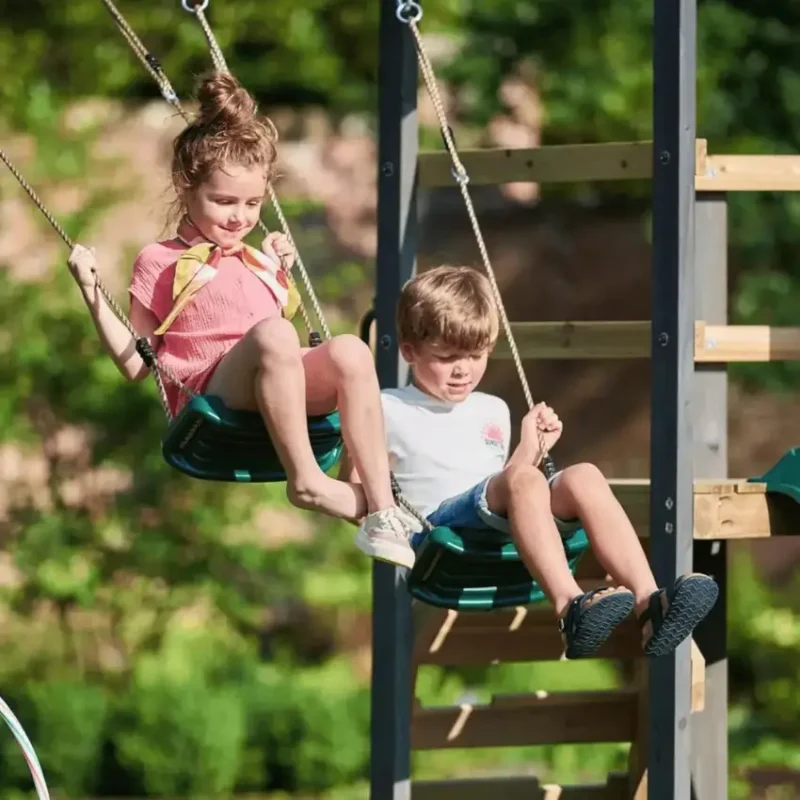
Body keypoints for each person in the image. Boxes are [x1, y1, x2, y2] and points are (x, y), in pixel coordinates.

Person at [65, 71, 417, 564]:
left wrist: (279, 273)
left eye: (252, 204)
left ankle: (376, 508)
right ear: (185, 188)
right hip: (213, 390)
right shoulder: (160, 260)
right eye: (224, 202)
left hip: (278, 384)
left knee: (350, 349)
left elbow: (275, 335)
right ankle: (307, 482)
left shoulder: (257, 258)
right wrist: (90, 290)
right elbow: (136, 364)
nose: (240, 218)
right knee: (275, 334)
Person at [342, 265, 719, 658]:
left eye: (476, 354)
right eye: (446, 356)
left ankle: (649, 601)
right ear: (409, 351)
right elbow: (357, 487)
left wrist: (531, 449)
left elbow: (504, 485)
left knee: (584, 476)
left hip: (489, 518)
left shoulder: (493, 408)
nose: (463, 369)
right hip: (438, 531)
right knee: (523, 478)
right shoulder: (386, 408)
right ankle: (569, 606)